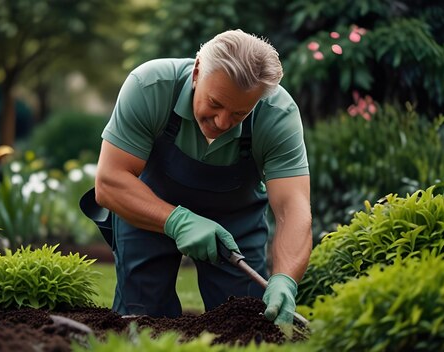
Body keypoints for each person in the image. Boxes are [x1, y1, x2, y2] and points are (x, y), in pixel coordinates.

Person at [87, 29, 311, 325]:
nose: (222, 122)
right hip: (149, 210)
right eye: (215, 104)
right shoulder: (150, 86)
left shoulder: (277, 114)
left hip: (236, 223)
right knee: (140, 317)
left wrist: (285, 279)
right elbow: (109, 182)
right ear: (196, 72)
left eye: (239, 114)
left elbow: (293, 208)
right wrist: (178, 220)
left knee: (244, 322)